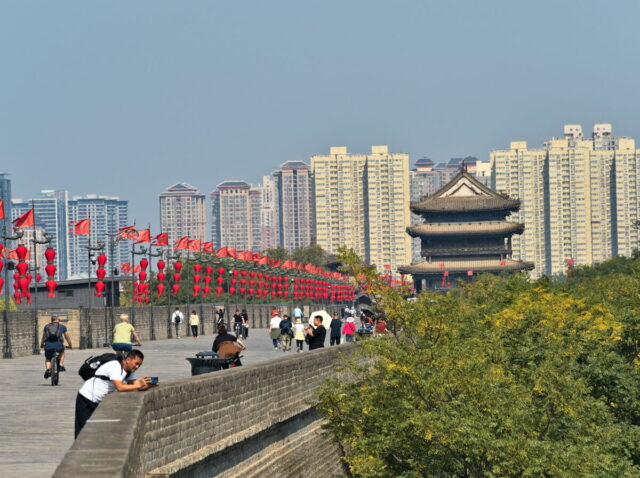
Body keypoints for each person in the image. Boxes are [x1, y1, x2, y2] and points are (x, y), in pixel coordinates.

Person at [75, 349, 153, 438]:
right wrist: (139, 385)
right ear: (128, 360)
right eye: (136, 363)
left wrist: (148, 385)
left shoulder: (129, 371)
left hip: (99, 401)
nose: (137, 367)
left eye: (140, 365)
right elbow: (120, 387)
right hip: (86, 398)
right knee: (82, 431)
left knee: (97, 431)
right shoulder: (115, 366)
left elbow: (134, 385)